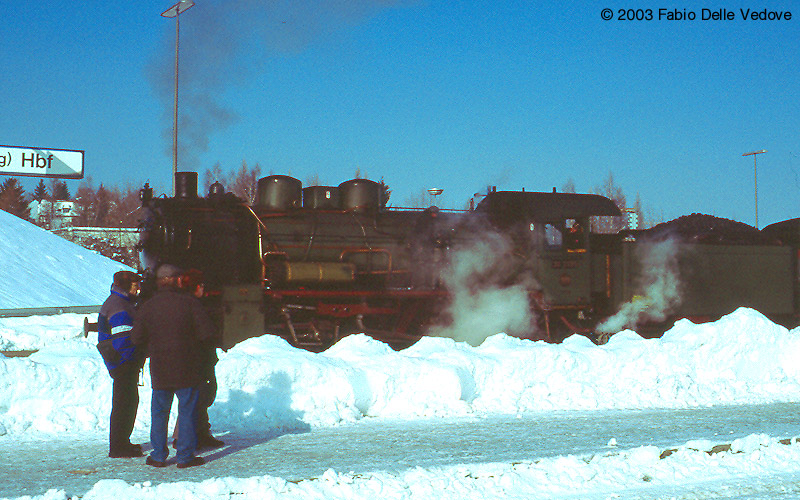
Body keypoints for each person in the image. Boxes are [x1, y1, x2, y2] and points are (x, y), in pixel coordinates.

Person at [130, 264, 216, 469]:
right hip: (187, 368)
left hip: (160, 368)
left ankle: (158, 455)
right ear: (178, 280)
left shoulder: (148, 306)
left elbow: (135, 338)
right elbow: (207, 334)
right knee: (186, 411)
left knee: (159, 413)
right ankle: (185, 457)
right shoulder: (189, 303)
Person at [172, 268, 225, 450]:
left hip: (197, 357)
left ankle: (200, 433)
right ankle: (184, 438)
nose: (204, 288)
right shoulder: (193, 306)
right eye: (201, 285)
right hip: (198, 358)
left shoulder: (185, 303)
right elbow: (205, 333)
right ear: (195, 287)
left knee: (199, 396)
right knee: (196, 396)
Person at [97, 270, 145, 458]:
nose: (138, 288)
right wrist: (133, 358)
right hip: (123, 363)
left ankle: (122, 442)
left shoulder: (118, 302)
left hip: (118, 362)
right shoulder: (121, 308)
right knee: (125, 404)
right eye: (135, 285)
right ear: (127, 286)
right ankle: (118, 447)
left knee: (125, 402)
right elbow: (123, 341)